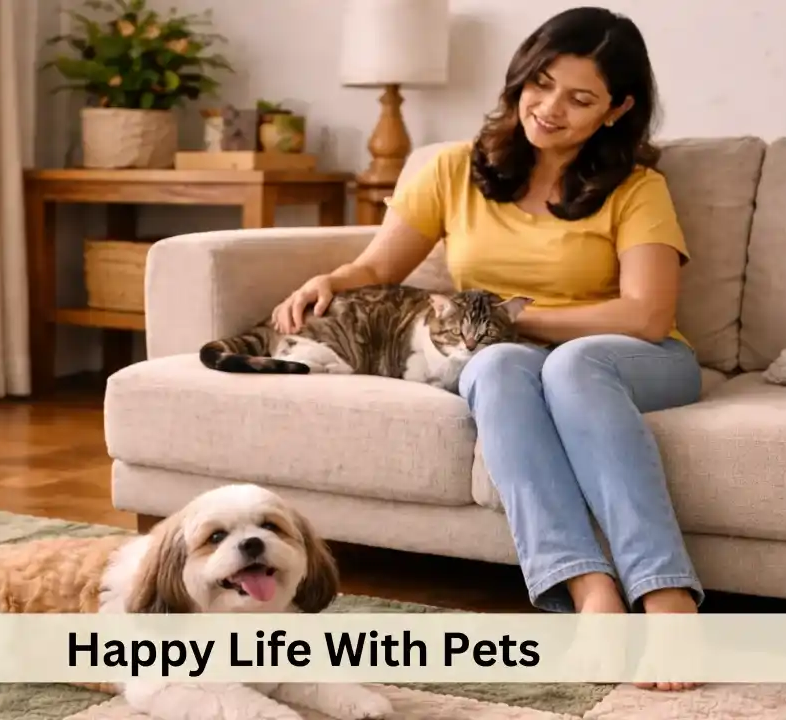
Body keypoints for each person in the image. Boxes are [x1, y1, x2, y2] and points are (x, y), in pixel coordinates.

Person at [271, 7, 702, 691]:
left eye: (581, 98)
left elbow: (647, 315)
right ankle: (591, 597)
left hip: (632, 359)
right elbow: (378, 268)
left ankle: (667, 599)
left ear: (617, 109)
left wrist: (518, 321)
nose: (551, 108)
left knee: (570, 361)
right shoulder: (450, 168)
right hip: (515, 352)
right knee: (495, 364)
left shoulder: (637, 188)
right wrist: (330, 280)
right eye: (542, 82)